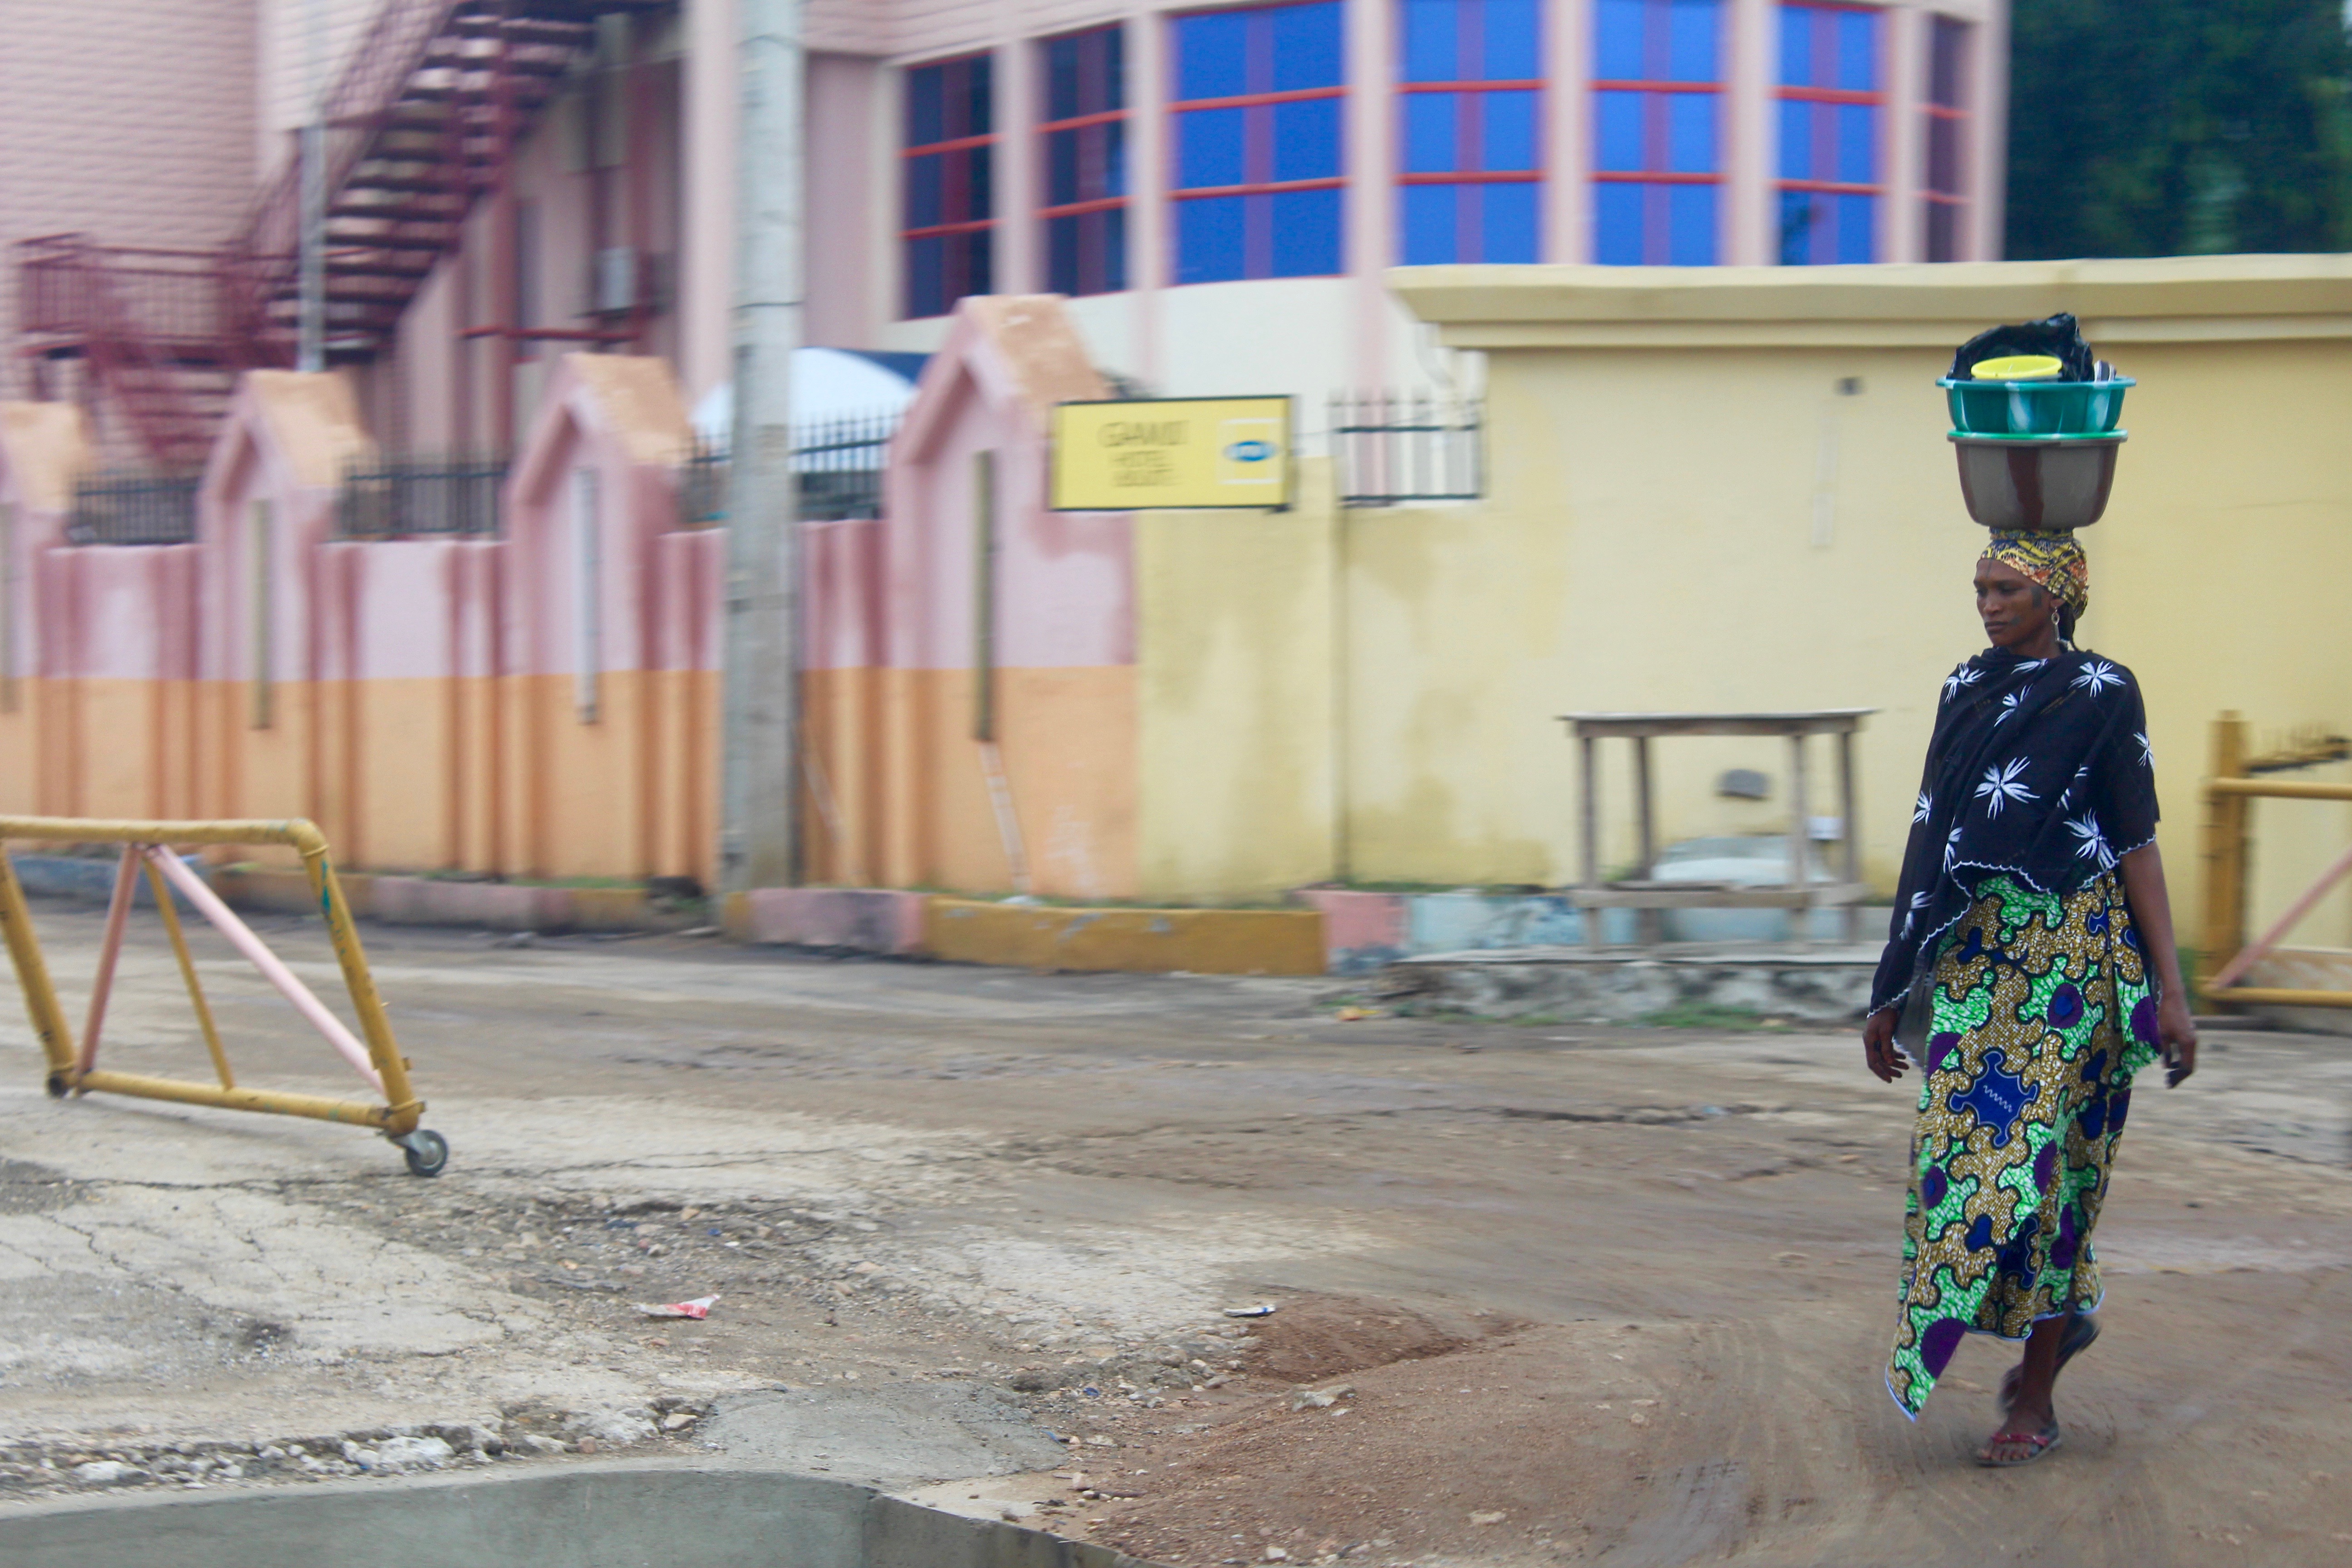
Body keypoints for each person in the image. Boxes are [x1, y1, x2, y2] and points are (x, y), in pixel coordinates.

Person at [1859, 529, 2197, 1466]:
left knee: (2050, 1180)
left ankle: (2036, 1396)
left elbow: (2137, 842)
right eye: (1981, 587)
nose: (1989, 603)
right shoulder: (1964, 691)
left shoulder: (2103, 693)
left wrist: (2174, 993)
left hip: (2073, 973)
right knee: (1962, 1172)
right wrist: (1892, 987)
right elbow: (1930, 834)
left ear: (2058, 594)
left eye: (2007, 587)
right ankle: (2061, 1313)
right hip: (1978, 971)